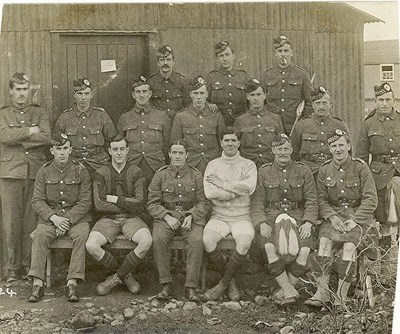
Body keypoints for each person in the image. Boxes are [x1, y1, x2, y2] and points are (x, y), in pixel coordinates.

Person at [305, 129, 378, 308]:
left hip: (358, 218)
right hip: (335, 218)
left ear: (349, 146)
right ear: (329, 148)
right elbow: (321, 200)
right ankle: (322, 293)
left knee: (349, 246)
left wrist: (356, 219)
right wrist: (332, 216)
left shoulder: (360, 167)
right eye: (333, 146)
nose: (338, 149)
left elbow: (371, 199)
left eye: (341, 145)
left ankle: (340, 296)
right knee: (323, 242)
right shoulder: (324, 170)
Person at [251, 133, 318, 305]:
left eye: (286, 149)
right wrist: (261, 223)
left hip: (298, 217)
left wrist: (309, 223)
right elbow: (257, 201)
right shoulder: (264, 171)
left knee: (304, 251)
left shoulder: (303, 170)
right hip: (271, 217)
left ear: (292, 149)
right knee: (268, 246)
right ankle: (288, 290)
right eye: (279, 149)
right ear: (273, 150)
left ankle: (283, 291)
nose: (283, 152)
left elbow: (311, 199)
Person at [28, 132, 92, 302]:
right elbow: (37, 201)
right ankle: (37, 283)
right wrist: (54, 218)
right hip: (51, 219)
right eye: (58, 149)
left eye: (65, 148)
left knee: (81, 235)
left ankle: (72, 282)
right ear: (52, 151)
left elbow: (85, 202)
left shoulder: (81, 170)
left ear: (71, 150)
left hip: (76, 218)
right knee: (40, 234)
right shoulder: (44, 171)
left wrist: (68, 219)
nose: (62, 153)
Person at [85, 135, 152, 296]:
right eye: (115, 149)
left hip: (131, 219)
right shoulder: (101, 173)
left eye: (122, 149)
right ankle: (125, 275)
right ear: (109, 151)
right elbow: (99, 204)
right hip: (108, 220)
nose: (119, 153)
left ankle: (115, 278)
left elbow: (140, 204)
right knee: (91, 245)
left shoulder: (136, 172)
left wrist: (115, 199)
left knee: (147, 240)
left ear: (128, 150)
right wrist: (129, 204)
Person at [0, 72, 51, 282]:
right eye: (18, 89)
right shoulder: (3, 114)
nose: (22, 94)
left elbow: (46, 137)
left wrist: (18, 139)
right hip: (10, 173)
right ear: (11, 91)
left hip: (34, 173)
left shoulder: (39, 113)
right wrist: (30, 131)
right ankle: (12, 268)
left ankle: (29, 265)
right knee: (11, 222)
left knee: (32, 221)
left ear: (30, 90)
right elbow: (3, 136)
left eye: (25, 89)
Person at [147, 140, 209, 301]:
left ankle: (190, 287)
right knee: (158, 239)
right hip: (166, 217)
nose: (177, 156)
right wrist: (166, 216)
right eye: (174, 153)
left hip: (190, 218)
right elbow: (152, 204)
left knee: (196, 240)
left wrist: (191, 215)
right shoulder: (160, 175)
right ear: (169, 154)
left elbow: (203, 202)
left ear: (187, 155)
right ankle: (166, 285)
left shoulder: (196, 175)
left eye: (181, 153)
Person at [203, 127, 257, 301]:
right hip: (219, 215)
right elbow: (210, 193)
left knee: (243, 244)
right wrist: (234, 192)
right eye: (226, 140)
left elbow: (248, 187)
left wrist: (223, 184)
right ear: (221, 143)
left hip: (242, 216)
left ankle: (222, 284)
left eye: (234, 140)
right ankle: (230, 281)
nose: (230, 143)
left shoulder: (248, 164)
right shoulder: (213, 165)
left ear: (239, 142)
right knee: (207, 240)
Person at [356, 82, 400, 245]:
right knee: (383, 220)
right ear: (375, 101)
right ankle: (385, 256)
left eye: (388, 100)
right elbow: (360, 156)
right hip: (379, 176)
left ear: (394, 100)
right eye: (381, 100)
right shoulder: (368, 124)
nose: (384, 104)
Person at [53, 78, 117, 176]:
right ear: (74, 94)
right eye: (80, 94)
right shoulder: (65, 117)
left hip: (98, 164)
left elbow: (113, 140)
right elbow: (56, 143)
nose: (83, 98)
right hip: (73, 164)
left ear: (91, 94)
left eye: (86, 94)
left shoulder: (101, 115)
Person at [117, 76, 171, 185]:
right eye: (138, 92)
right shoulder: (125, 117)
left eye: (144, 91)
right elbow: (119, 144)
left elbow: (167, 143)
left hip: (156, 166)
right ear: (133, 95)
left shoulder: (161, 115)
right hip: (132, 166)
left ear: (150, 94)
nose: (141, 95)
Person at [291, 86, 351, 176]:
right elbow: (293, 153)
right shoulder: (302, 125)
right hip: (308, 172)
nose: (321, 106)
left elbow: (349, 152)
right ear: (312, 105)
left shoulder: (340, 125)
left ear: (330, 104)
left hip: (333, 171)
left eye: (324, 103)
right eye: (318, 103)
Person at [171, 76, 225, 173]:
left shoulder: (216, 115)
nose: (199, 97)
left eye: (202, 93)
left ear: (207, 94)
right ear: (190, 94)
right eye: (195, 93)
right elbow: (176, 144)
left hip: (212, 164)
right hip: (190, 166)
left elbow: (222, 143)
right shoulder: (181, 116)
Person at [261, 36, 313, 135]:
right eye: (280, 51)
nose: (283, 54)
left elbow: (310, 101)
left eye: (286, 50)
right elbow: (261, 102)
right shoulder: (267, 75)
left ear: (291, 53)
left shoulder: (301, 74)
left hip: (295, 126)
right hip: (273, 127)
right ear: (275, 54)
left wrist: (303, 123)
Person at [234, 78, 285, 168]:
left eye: (258, 94)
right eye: (252, 95)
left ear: (264, 95)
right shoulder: (240, 120)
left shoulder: (275, 118)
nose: (256, 98)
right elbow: (235, 147)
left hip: (271, 165)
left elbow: (281, 144)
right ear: (247, 96)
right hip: (247, 166)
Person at [206, 41, 250, 126]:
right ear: (217, 59)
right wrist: (210, 104)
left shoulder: (243, 76)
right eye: (221, 56)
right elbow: (204, 100)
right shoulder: (211, 77)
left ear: (233, 56)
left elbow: (250, 102)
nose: (224, 59)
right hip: (218, 122)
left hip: (241, 122)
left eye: (227, 54)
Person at [148, 45, 191, 123]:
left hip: (178, 124)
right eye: (162, 60)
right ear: (158, 63)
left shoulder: (182, 81)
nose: (165, 63)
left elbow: (188, 106)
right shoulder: (151, 82)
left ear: (173, 62)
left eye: (168, 59)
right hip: (158, 125)